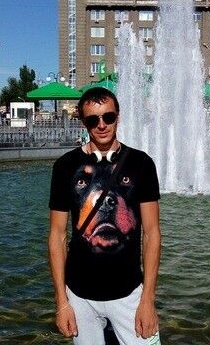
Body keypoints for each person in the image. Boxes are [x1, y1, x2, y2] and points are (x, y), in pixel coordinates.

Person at [48, 87, 161, 345]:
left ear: (117, 117)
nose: (102, 125)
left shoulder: (141, 164)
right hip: (80, 296)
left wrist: (148, 299)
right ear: (83, 122)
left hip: (129, 293)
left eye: (108, 117)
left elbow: (152, 233)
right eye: (93, 120)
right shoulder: (65, 166)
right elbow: (57, 236)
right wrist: (62, 302)